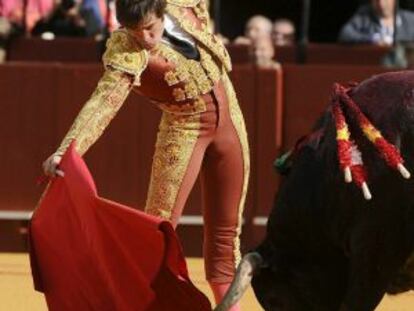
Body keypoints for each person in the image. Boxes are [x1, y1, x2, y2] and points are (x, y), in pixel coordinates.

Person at [42, 0, 249, 310]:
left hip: (230, 121)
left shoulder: (183, 5)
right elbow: (105, 101)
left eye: (150, 29)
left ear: (163, 11)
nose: (145, 40)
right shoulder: (124, 48)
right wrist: (67, 149)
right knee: (156, 236)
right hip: (184, 128)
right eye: (135, 31)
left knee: (226, 233)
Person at [338, 0, 414, 45]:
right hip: (374, 64)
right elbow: (345, 34)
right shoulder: (363, 17)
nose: (381, 4)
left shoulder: (410, 19)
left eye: (385, 0)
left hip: (403, 67)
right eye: (377, 0)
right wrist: (372, 39)